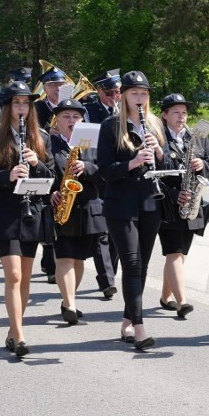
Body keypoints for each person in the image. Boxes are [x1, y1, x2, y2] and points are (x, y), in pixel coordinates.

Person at [0, 81, 54, 355]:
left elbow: (52, 177)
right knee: (14, 275)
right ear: (8, 107)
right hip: (5, 212)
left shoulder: (41, 136)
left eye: (26, 103)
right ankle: (19, 335)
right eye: (17, 103)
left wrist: (36, 163)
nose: (22, 108)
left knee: (26, 277)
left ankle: (13, 330)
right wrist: (7, 176)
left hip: (32, 212)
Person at [97, 70, 171, 350]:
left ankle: (127, 320)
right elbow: (104, 170)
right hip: (121, 205)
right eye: (134, 94)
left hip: (151, 202)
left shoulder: (153, 124)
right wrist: (132, 162)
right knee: (131, 264)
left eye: (144, 94)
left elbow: (165, 169)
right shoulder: (110, 126)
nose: (139, 99)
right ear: (124, 96)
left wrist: (160, 153)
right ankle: (139, 327)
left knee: (142, 265)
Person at [156, 93, 209, 318]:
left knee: (180, 254)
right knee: (174, 251)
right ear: (164, 115)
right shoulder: (158, 138)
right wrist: (172, 193)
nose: (181, 117)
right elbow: (153, 174)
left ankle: (165, 297)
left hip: (192, 201)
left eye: (184, 112)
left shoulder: (197, 137)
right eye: (176, 112)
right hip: (168, 203)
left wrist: (202, 165)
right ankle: (182, 302)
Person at [47, 98, 104, 324]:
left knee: (79, 259)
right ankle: (70, 303)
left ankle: (67, 300)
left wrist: (87, 167)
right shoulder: (49, 144)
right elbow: (42, 171)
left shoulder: (92, 144)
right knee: (65, 257)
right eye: (66, 117)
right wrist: (50, 192)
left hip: (88, 206)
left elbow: (105, 171)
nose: (71, 121)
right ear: (57, 120)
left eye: (76, 117)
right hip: (61, 207)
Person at [82, 68, 121, 299]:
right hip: (97, 173)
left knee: (116, 228)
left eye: (118, 92)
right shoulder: (88, 112)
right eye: (110, 93)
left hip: (118, 175)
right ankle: (106, 279)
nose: (114, 97)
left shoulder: (126, 112)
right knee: (101, 231)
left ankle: (111, 272)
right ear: (99, 92)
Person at [34, 65, 68, 284]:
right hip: (46, 156)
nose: (58, 88)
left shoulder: (71, 105)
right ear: (45, 87)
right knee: (49, 208)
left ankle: (57, 260)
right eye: (54, 84)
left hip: (66, 158)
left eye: (61, 84)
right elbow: (33, 130)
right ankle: (50, 262)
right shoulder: (37, 107)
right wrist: (50, 129)